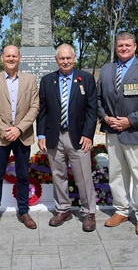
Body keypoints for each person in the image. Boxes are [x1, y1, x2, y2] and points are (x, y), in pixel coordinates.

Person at [97, 32, 138, 236]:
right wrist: (105, 117)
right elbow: (97, 98)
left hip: (136, 131)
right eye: (120, 45)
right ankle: (121, 210)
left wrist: (129, 121)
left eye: (127, 45)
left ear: (135, 47)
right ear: (116, 48)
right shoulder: (107, 69)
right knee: (116, 174)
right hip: (112, 130)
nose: (123, 48)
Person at [37, 44, 98, 232]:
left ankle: (88, 213)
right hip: (54, 136)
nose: (65, 61)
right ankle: (63, 210)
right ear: (56, 60)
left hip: (78, 137)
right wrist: (41, 134)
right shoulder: (48, 81)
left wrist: (88, 134)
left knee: (83, 177)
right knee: (58, 175)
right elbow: (43, 110)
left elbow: (92, 109)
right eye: (62, 58)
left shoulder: (85, 79)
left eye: (68, 58)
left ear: (74, 58)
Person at [0, 45, 39, 231]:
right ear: (2, 58)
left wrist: (19, 129)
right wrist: (6, 129)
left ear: (19, 58)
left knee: (23, 175)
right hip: (1, 136)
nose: (11, 59)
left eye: (14, 56)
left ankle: (23, 211)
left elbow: (34, 107)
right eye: (8, 56)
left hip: (23, 135)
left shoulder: (30, 80)